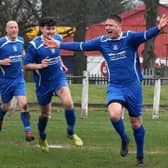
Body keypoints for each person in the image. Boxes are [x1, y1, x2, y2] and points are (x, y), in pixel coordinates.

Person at [43, 14, 168, 165]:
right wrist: (59, 45)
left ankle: (140, 156)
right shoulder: (102, 42)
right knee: (114, 115)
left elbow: (146, 35)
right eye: (106, 26)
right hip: (115, 86)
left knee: (136, 123)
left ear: (119, 26)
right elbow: (81, 45)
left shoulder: (130, 38)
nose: (107, 28)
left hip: (133, 86)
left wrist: (158, 28)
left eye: (111, 25)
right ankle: (124, 138)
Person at [24, 16, 83, 152]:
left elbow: (56, 54)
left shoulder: (58, 39)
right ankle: (43, 137)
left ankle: (70, 132)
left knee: (68, 103)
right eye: (48, 29)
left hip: (58, 77)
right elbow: (26, 65)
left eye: (52, 29)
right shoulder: (34, 45)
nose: (51, 32)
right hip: (43, 84)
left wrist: (61, 64)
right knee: (45, 115)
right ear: (41, 29)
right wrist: (40, 65)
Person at [0, 21, 35, 142]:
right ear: (6, 30)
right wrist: (1, 62)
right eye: (11, 27)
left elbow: (22, 53)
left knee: (23, 104)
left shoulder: (20, 40)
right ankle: (1, 117)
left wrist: (27, 59)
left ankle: (28, 131)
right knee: (6, 106)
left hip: (19, 79)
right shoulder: (1, 43)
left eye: (15, 27)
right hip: (5, 81)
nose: (14, 29)